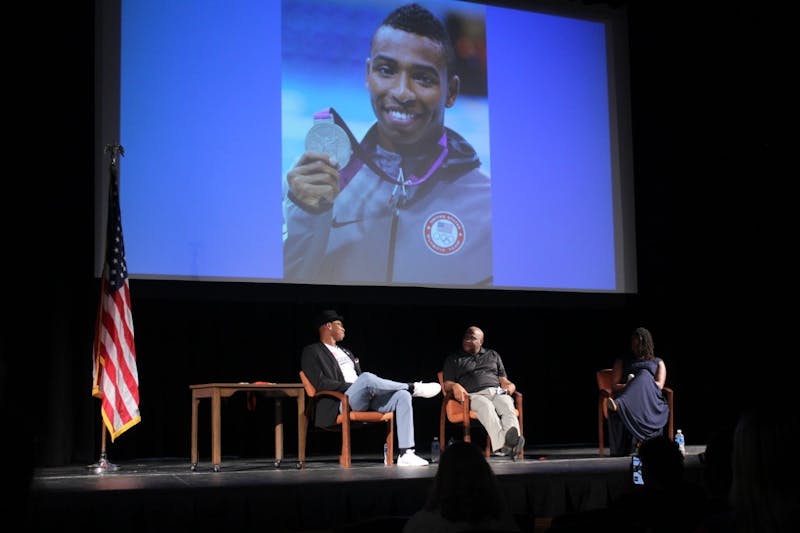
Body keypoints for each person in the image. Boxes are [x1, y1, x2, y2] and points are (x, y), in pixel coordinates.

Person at [283, 3, 492, 286]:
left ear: (451, 91)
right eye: (386, 70)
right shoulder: (311, 182)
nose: (402, 92)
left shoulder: (488, 206)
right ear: (368, 75)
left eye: (423, 78)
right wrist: (307, 215)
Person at [300, 309, 441, 466]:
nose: (343, 329)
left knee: (402, 396)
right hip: (340, 401)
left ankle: (406, 453)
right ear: (328, 326)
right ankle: (412, 387)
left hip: (362, 397)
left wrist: (363, 387)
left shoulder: (347, 352)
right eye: (339, 325)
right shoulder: (312, 351)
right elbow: (321, 383)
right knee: (366, 378)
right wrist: (355, 386)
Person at [441, 326, 524, 460]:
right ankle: (506, 446)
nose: (467, 339)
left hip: (497, 391)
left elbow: (503, 379)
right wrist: (455, 385)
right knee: (486, 406)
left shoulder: (493, 355)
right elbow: (447, 384)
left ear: (481, 341)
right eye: (466, 337)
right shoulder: (454, 359)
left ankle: (510, 444)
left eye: (472, 338)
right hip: (473, 394)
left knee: (507, 403)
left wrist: (510, 385)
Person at [402, 440, 521, 533]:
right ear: (485, 476)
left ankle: (508, 444)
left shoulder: (422, 524)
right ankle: (506, 445)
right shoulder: (503, 523)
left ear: (442, 478)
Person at [605, 327, 670, 457]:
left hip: (649, 399)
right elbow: (615, 386)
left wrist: (639, 382)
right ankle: (622, 403)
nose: (635, 347)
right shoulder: (622, 361)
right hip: (629, 397)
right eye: (633, 344)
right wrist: (630, 384)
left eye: (638, 344)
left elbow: (659, 385)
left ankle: (618, 405)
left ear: (646, 344)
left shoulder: (658, 362)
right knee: (641, 377)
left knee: (644, 375)